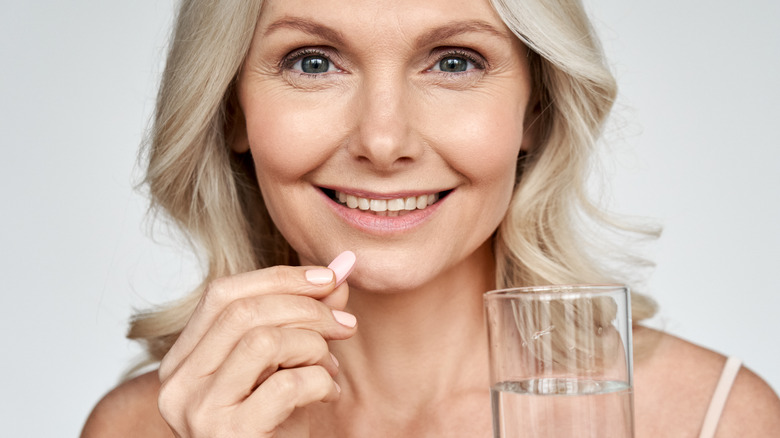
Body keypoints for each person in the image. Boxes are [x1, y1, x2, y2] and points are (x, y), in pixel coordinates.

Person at [82, 0, 780, 436]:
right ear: (232, 109)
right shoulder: (145, 429)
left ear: (535, 110)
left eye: (454, 61)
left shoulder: (713, 421)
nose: (384, 142)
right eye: (314, 61)